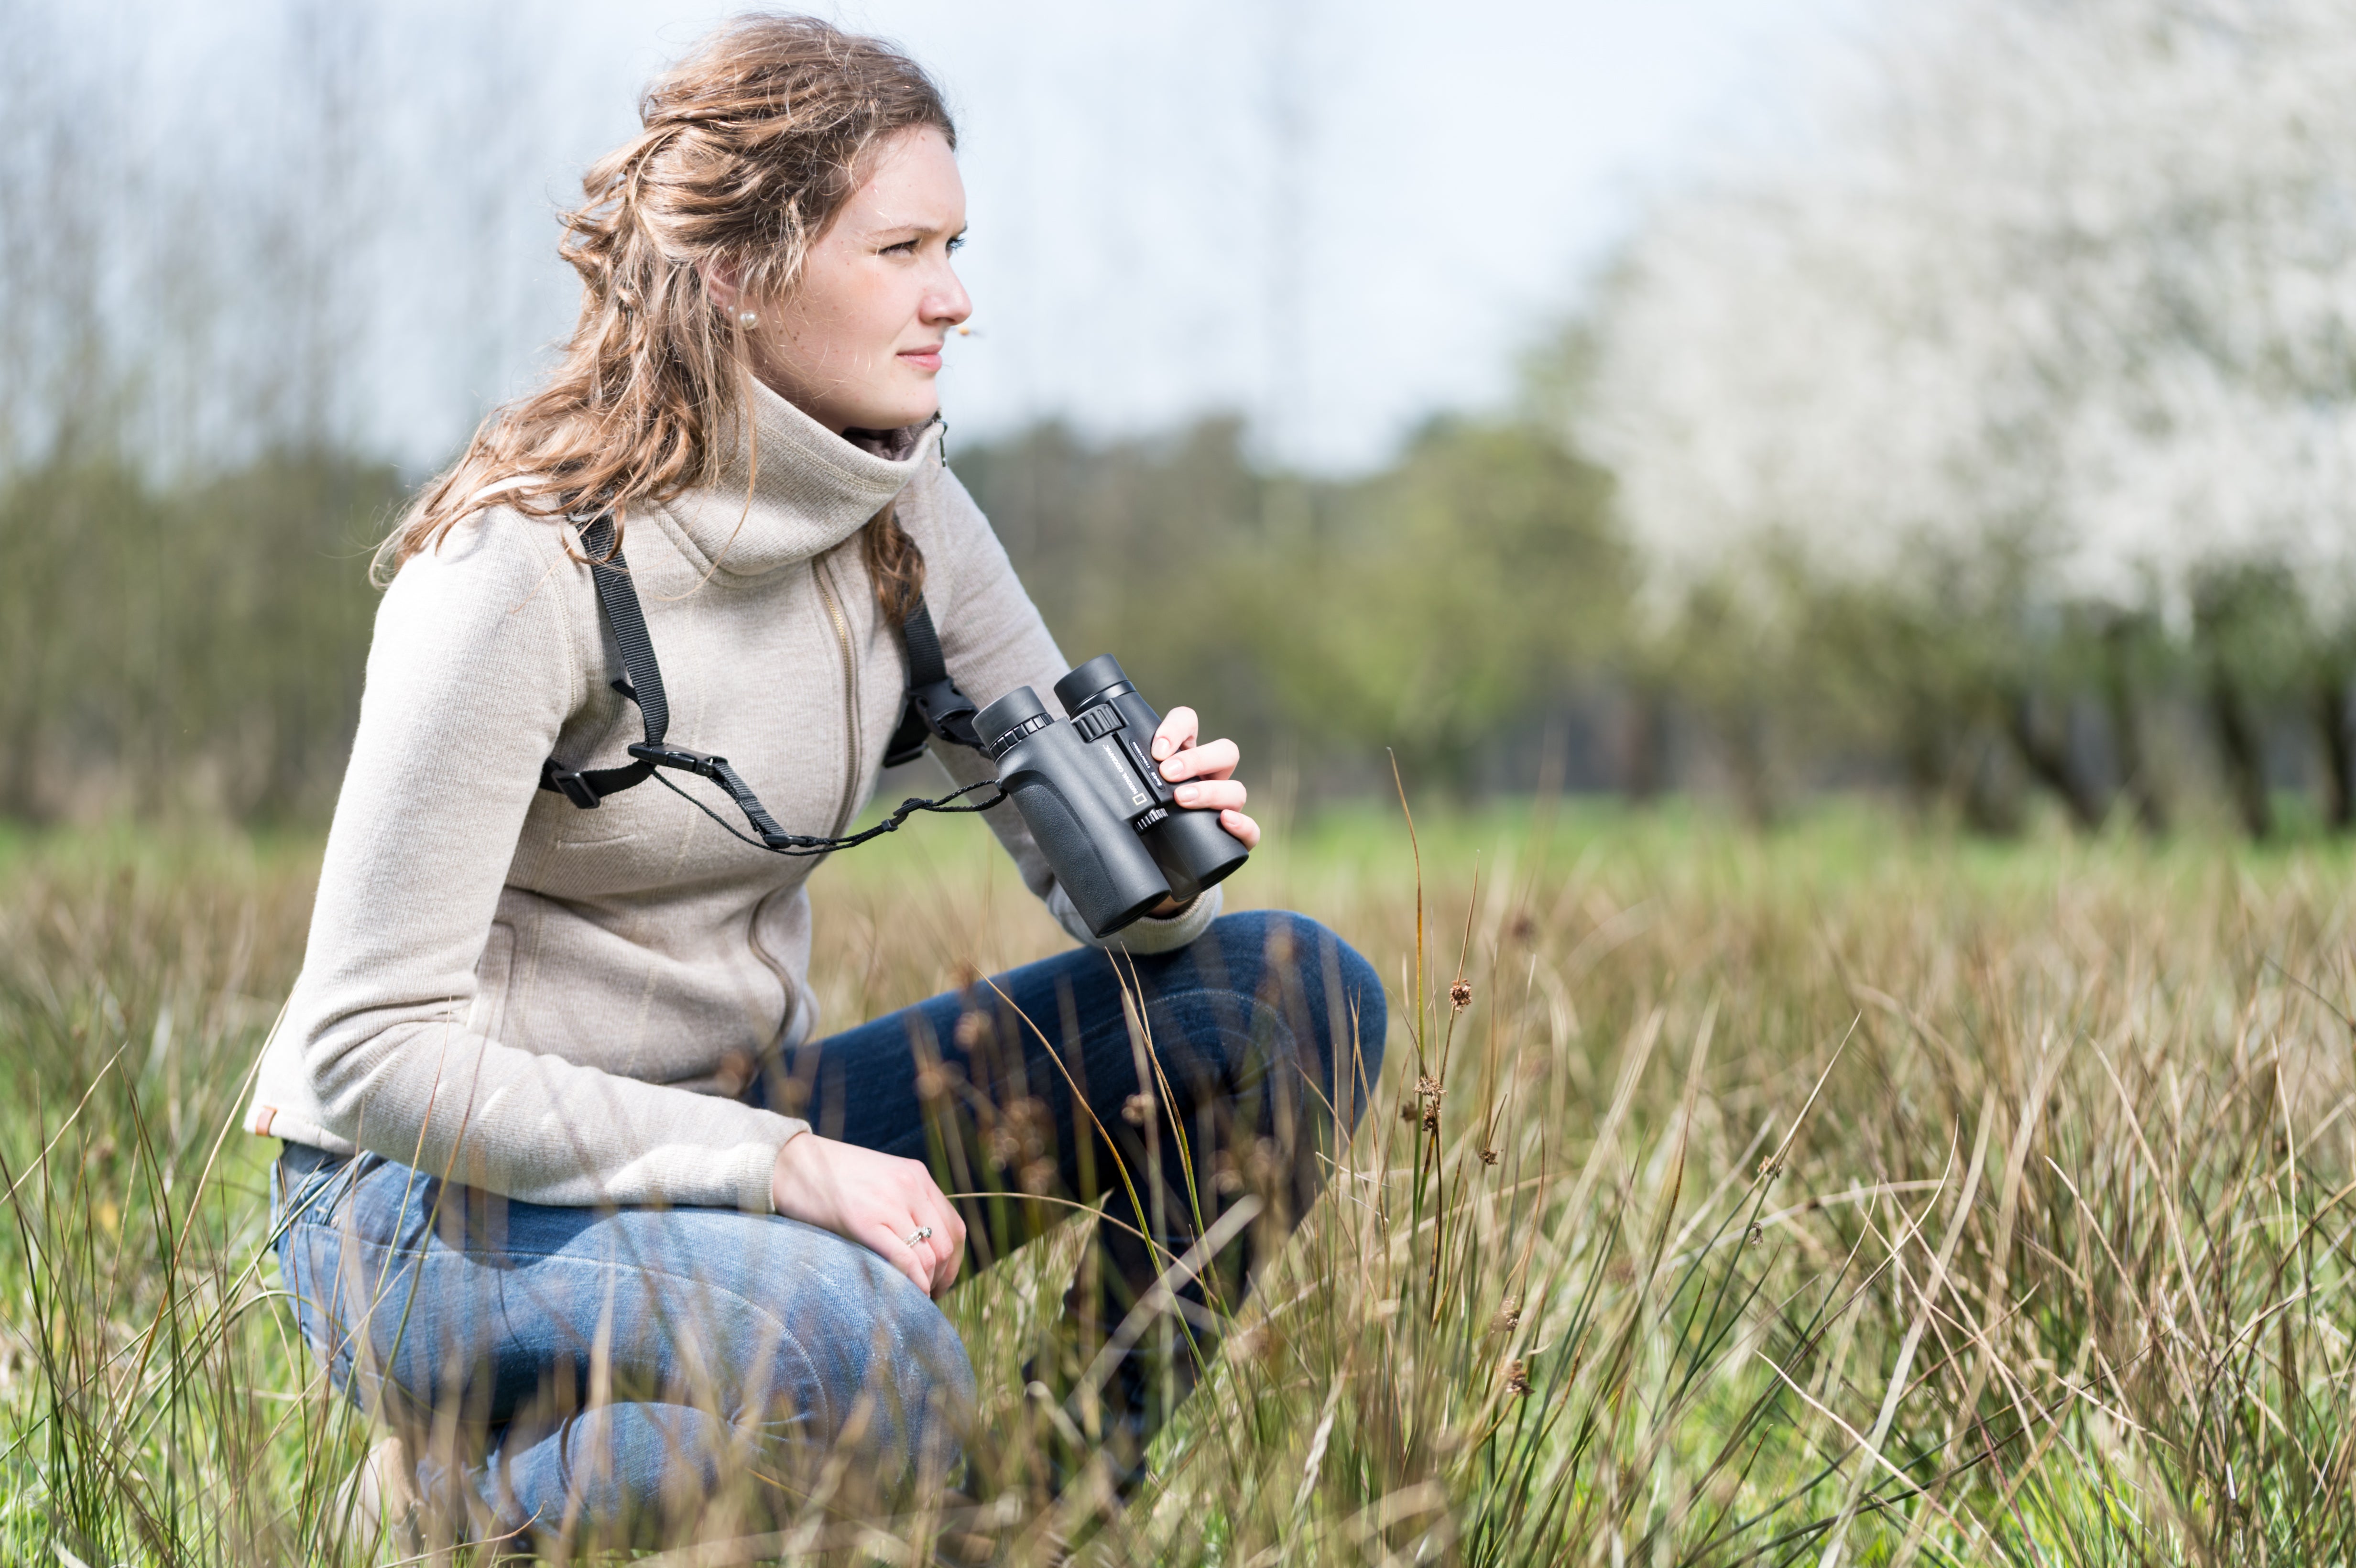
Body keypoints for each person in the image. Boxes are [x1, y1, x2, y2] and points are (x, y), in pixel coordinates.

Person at [248, 13, 1386, 1557]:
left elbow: (1127, 928)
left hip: (734, 1125)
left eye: (956, 243)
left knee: (1288, 995)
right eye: (900, 247)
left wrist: (1161, 859)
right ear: (740, 272)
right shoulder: (516, 566)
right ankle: (455, 1507)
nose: (953, 298)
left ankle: (1030, 1521)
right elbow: (369, 1049)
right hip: (427, 1205)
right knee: (865, 1356)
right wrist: (774, 1170)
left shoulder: (904, 505)